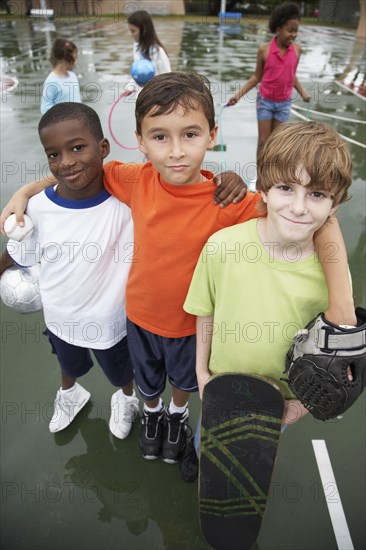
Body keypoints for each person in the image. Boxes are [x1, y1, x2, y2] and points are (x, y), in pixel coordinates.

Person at [0, 73, 355, 467]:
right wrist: (24, 191)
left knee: (184, 384)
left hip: (191, 327)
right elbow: (77, 169)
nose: (175, 152)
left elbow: (309, 215)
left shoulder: (228, 200)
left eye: (190, 134)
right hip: (138, 318)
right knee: (148, 382)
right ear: (139, 140)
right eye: (160, 137)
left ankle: (177, 415)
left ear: (212, 134)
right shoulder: (134, 179)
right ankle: (152, 415)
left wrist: (343, 308)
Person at [181, 120, 353, 481]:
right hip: (220, 387)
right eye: (286, 188)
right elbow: (205, 311)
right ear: (262, 188)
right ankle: (198, 456)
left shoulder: (333, 275)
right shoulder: (223, 246)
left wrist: (304, 405)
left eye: (317, 194)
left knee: (257, 457)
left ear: (335, 205)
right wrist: (201, 372)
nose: (300, 207)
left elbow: (335, 353)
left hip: (281, 400)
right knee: (207, 443)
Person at [0, 103, 140, 438]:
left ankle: (128, 400)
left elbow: (176, 182)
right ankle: (70, 395)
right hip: (60, 317)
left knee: (121, 372)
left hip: (110, 321)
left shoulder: (128, 203)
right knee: (67, 365)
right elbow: (18, 253)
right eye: (53, 154)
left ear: (103, 148)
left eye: (77, 147)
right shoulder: (37, 209)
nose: (66, 162)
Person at [227, 2, 311, 159]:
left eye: (296, 31)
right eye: (290, 30)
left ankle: (272, 176)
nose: (293, 35)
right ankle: (260, 177)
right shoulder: (264, 50)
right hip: (265, 102)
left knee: (277, 142)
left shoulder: (297, 50)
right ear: (278, 29)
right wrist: (237, 96)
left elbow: (292, 75)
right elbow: (256, 77)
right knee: (263, 142)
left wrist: (303, 93)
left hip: (284, 103)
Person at [40, 38, 81, 114]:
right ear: (67, 57)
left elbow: (77, 101)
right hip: (63, 124)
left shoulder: (73, 76)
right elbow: (45, 108)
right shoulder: (51, 81)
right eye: (75, 58)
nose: (76, 62)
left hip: (76, 121)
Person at [127, 10, 171, 76]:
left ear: (144, 30)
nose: (131, 35)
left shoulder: (158, 53)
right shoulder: (136, 47)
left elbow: (168, 78)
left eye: (133, 31)